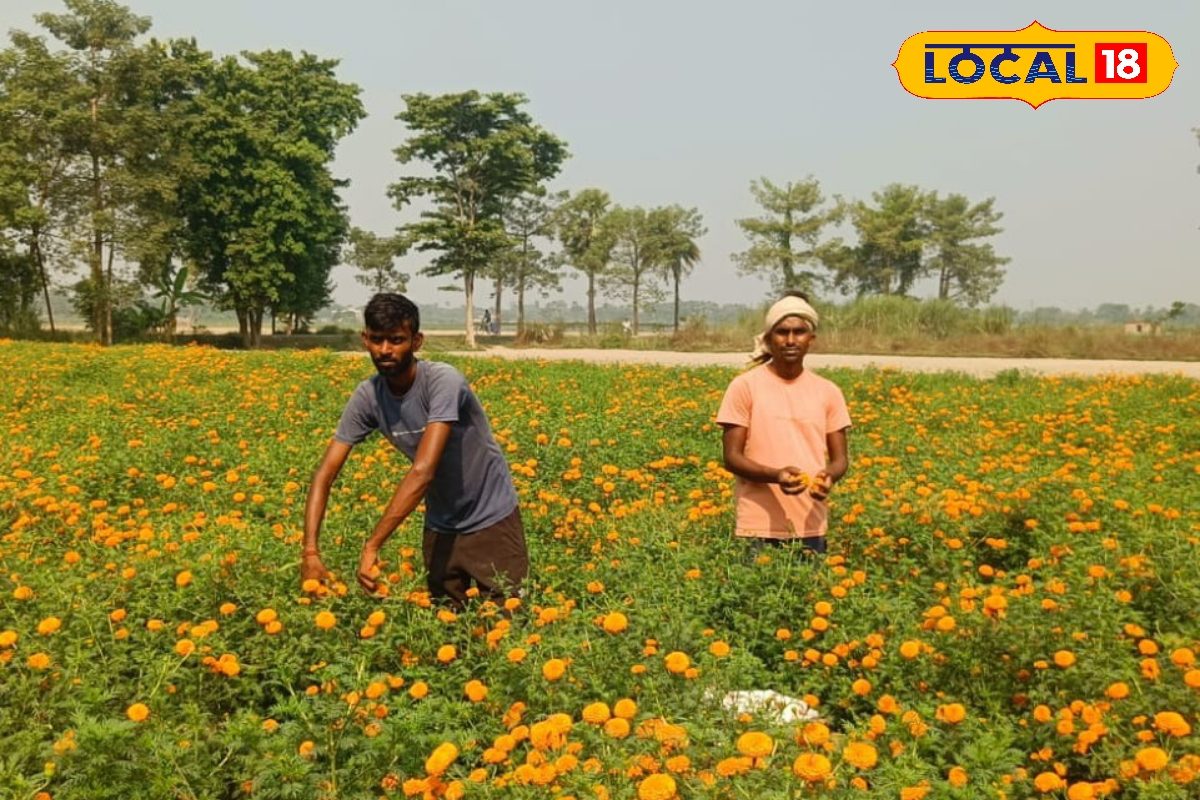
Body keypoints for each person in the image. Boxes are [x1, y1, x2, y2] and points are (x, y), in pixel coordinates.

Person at [301, 293, 529, 606]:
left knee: (508, 625)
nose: (385, 350)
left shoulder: (442, 381)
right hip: (441, 524)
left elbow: (423, 471)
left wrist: (372, 546)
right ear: (364, 340)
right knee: (448, 625)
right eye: (377, 340)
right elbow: (324, 475)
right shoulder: (368, 396)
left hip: (491, 518)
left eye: (396, 340)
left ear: (417, 341)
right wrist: (310, 552)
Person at [715, 293, 851, 554]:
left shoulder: (828, 391)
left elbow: (841, 459)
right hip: (757, 527)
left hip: (811, 524)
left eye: (799, 332)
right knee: (755, 593)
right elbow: (731, 457)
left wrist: (829, 476)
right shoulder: (745, 387)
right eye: (782, 332)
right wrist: (776, 476)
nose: (790, 340)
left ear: (811, 339)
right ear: (768, 338)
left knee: (809, 594)